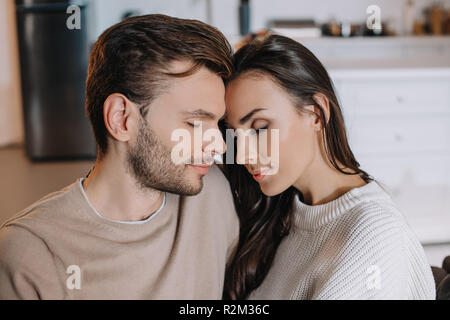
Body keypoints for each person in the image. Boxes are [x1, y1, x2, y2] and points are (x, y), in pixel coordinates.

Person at [0, 14, 239, 300]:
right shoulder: (31, 252)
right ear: (121, 119)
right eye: (196, 123)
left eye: (218, 123)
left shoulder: (214, 196)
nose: (220, 147)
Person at [222, 34, 436, 300]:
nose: (242, 155)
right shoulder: (283, 212)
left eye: (260, 128)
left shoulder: (375, 235)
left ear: (316, 114)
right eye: (234, 135)